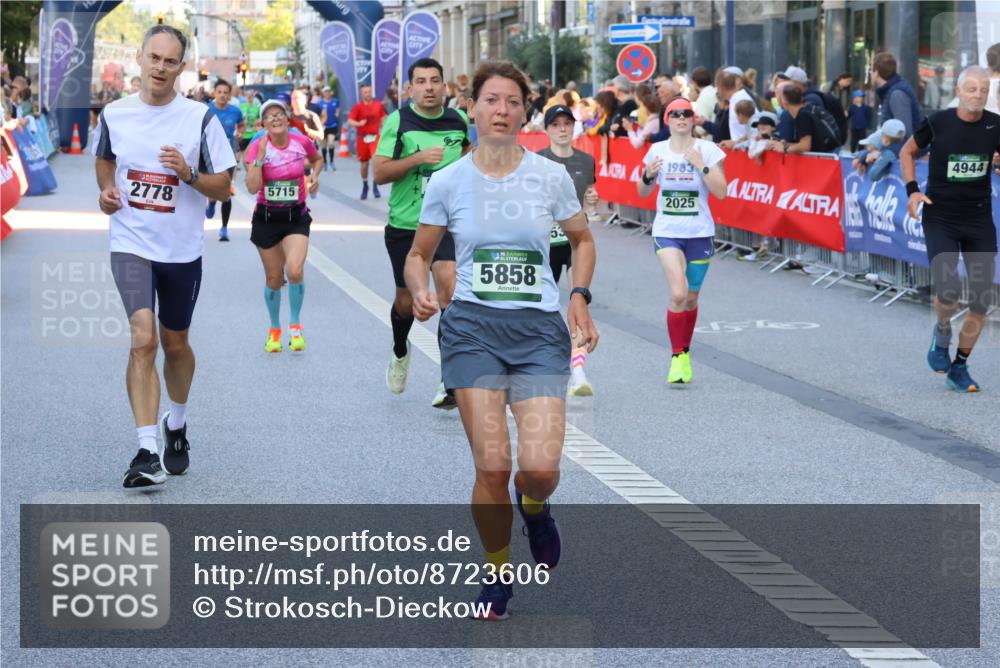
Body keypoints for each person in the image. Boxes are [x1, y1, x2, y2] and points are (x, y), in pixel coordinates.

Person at [405, 60, 598, 620]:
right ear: (472, 108)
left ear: (524, 113)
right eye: (491, 99)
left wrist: (579, 295)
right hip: (471, 329)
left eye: (513, 102)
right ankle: (496, 572)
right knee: (491, 465)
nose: (501, 110)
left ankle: (534, 507)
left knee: (540, 469)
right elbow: (420, 253)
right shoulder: (448, 181)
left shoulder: (549, 176)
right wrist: (420, 289)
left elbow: (582, 242)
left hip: (538, 330)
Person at [93, 24, 235, 487]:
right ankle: (146, 450)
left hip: (180, 250)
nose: (160, 67)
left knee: (175, 345)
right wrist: (106, 191)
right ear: (140, 57)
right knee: (143, 339)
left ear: (181, 66)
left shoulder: (199, 118)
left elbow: (225, 185)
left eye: (170, 61)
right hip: (130, 243)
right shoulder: (116, 113)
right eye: (153, 57)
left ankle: (177, 422)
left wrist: (189, 173)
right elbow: (105, 159)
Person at [372, 57, 470, 408]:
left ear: (445, 87)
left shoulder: (457, 121)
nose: (428, 87)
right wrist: (418, 159)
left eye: (434, 81)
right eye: (421, 81)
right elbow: (380, 173)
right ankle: (400, 349)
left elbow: (468, 160)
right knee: (407, 302)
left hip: (446, 226)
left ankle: (450, 380)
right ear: (409, 88)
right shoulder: (398, 121)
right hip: (406, 226)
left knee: (450, 292)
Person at [901, 65, 999, 393]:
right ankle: (942, 329)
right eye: (971, 89)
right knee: (948, 291)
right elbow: (907, 151)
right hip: (940, 216)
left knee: (982, 300)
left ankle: (960, 366)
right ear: (958, 91)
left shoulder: (995, 125)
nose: (977, 95)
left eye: (983, 90)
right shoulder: (938, 122)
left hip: (979, 218)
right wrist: (912, 190)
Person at [637, 97, 727, 384]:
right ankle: (677, 357)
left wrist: (701, 165)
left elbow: (722, 192)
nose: (681, 117)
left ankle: (685, 351)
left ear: (693, 118)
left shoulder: (708, 150)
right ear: (667, 119)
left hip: (699, 233)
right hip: (667, 231)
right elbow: (641, 192)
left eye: (686, 113)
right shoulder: (657, 150)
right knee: (678, 292)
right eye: (674, 113)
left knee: (690, 298)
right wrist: (648, 175)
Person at [245, 99, 322, 353]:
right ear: (263, 123)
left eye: (279, 114)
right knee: (274, 278)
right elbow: (252, 187)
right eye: (269, 116)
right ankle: (274, 328)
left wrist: (314, 177)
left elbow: (317, 158)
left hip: (295, 217)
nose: (275, 119)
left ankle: (295, 325)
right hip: (266, 218)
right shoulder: (257, 146)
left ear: (288, 119)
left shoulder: (301, 141)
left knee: (295, 270)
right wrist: (259, 158)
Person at [538, 104, 600, 396]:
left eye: (567, 124)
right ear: (547, 129)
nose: (562, 129)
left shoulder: (586, 161)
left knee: (579, 302)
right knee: (542, 307)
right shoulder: (537, 161)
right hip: (545, 242)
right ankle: (540, 366)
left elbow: (589, 204)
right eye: (556, 124)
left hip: (576, 241)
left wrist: (592, 204)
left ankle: (578, 370)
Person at [204, 78, 244, 241]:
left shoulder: (235, 111)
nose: (222, 95)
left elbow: (241, 126)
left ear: (229, 95)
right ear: (214, 93)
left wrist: (240, 135)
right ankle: (211, 202)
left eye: (225, 93)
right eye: (219, 92)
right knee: (213, 190)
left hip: (228, 155)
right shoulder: (207, 109)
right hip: (209, 155)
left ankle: (224, 228)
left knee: (226, 192)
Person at [765, 85, 840, 154]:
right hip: (829, 152)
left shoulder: (802, 116)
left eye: (780, 97)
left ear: (784, 101)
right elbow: (808, 143)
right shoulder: (807, 109)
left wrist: (784, 148)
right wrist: (787, 144)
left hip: (822, 159)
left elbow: (805, 146)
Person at [871, 52, 923, 141]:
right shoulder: (893, 90)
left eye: (871, 71)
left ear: (876, 73)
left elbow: (903, 133)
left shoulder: (897, 94)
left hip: (900, 154)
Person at [347, 84, 387, 199]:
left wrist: (385, 126)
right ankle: (365, 185)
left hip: (375, 137)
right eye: (365, 92)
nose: (368, 94)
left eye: (369, 91)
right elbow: (350, 121)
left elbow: (383, 118)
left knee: (375, 160)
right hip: (362, 138)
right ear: (361, 94)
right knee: (364, 164)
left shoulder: (378, 105)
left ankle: (375, 184)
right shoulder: (357, 107)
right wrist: (359, 124)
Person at [317, 86, 340, 171]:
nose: (327, 93)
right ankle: (325, 162)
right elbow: (317, 115)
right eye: (326, 92)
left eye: (328, 91)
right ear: (323, 93)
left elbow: (337, 110)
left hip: (332, 125)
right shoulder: (319, 103)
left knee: (331, 143)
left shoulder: (335, 101)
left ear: (331, 92)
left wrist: (337, 114)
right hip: (323, 127)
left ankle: (332, 161)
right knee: (323, 145)